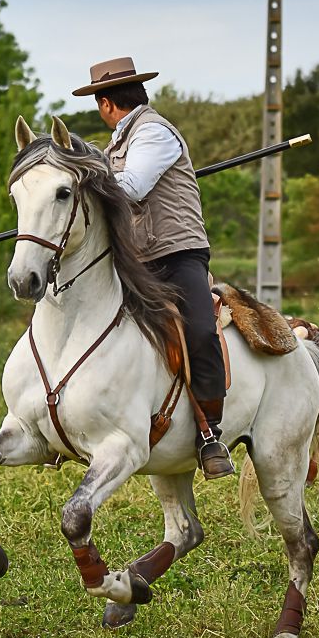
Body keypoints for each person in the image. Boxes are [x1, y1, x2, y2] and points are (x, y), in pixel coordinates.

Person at [72, 57, 234, 479]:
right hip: (138, 260)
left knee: (198, 330)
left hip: (178, 254)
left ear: (106, 104)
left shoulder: (154, 134)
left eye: (98, 103)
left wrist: (85, 182)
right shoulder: (114, 148)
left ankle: (210, 432)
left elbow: (130, 188)